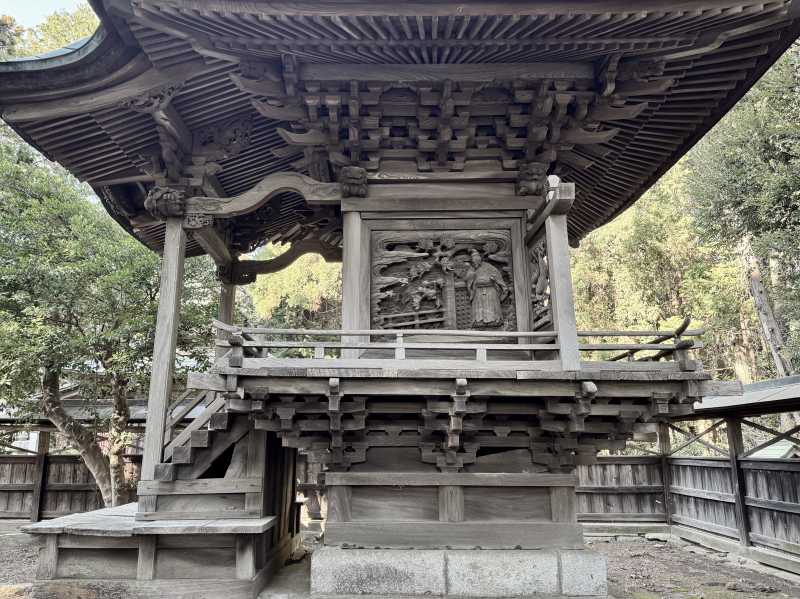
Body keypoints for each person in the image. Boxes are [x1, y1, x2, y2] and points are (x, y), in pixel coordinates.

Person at [466, 250, 509, 327]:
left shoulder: (489, 268)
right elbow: (469, 282)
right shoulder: (472, 270)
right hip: (478, 291)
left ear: (480, 259)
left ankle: (495, 320)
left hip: (491, 290)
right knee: (479, 313)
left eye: (477, 259)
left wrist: (493, 280)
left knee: (492, 309)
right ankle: (479, 321)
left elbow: (499, 280)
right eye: (473, 261)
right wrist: (472, 277)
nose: (475, 262)